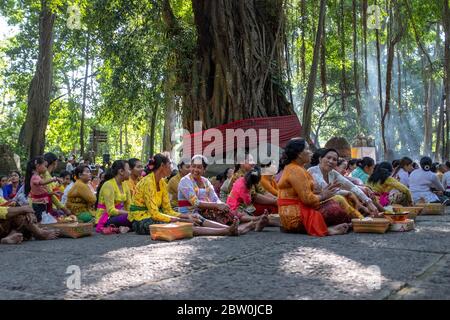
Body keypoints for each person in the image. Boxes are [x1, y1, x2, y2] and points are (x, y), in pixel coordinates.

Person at [129, 154, 240, 236]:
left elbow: (168, 210)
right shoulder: (148, 182)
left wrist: (187, 216)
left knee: (193, 217)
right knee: (182, 225)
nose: (172, 167)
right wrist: (183, 219)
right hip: (140, 220)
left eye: (200, 167)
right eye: (170, 164)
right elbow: (154, 214)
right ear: (162, 166)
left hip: (156, 215)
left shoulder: (162, 182)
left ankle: (229, 228)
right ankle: (224, 231)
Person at [277, 139, 351, 236]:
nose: (311, 152)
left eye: (334, 159)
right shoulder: (296, 170)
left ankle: (345, 224)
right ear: (299, 153)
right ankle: (331, 228)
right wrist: (323, 195)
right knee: (334, 208)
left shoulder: (298, 168)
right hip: (294, 216)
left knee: (335, 202)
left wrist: (322, 193)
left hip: (291, 212)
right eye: (307, 149)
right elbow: (307, 199)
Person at [178, 155, 254, 234]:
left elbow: (215, 199)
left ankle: (251, 223)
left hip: (203, 212)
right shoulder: (185, 181)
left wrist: (221, 205)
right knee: (199, 218)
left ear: (204, 169)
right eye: (193, 166)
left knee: (227, 211)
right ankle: (233, 229)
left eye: (199, 167)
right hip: (190, 213)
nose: (195, 170)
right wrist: (216, 205)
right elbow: (196, 203)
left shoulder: (205, 181)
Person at [308, 149, 378, 217]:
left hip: (328, 201)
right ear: (320, 159)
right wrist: (348, 193)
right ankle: (359, 219)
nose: (331, 161)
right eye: (328, 158)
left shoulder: (332, 173)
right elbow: (330, 192)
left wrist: (368, 202)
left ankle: (362, 217)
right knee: (340, 199)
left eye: (334, 160)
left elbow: (351, 186)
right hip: (315, 204)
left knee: (350, 196)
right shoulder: (313, 171)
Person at [95, 160, 132, 233]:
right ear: (121, 171)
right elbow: (110, 211)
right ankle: (121, 228)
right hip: (106, 217)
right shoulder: (108, 185)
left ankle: (122, 228)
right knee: (130, 217)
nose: (130, 172)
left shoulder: (125, 184)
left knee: (137, 216)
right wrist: (129, 213)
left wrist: (135, 213)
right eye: (129, 169)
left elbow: (129, 205)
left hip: (117, 216)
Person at [24, 156, 63, 222]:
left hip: (42, 202)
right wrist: (55, 179)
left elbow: (42, 191)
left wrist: (54, 193)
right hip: (37, 203)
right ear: (38, 166)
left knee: (42, 216)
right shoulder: (35, 177)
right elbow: (43, 183)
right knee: (39, 218)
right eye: (45, 166)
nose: (46, 168)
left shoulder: (38, 176)